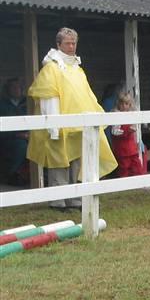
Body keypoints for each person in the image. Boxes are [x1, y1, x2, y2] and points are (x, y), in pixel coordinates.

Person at [26, 27, 117, 210]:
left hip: (79, 126)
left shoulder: (77, 69)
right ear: (58, 44)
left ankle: (75, 198)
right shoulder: (51, 69)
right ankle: (58, 200)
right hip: (60, 125)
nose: (71, 46)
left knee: (76, 162)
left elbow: (87, 95)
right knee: (59, 162)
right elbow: (48, 97)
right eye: (67, 43)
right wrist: (53, 125)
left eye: (74, 43)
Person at [0, 78, 29, 186]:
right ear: (7, 90)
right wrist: (18, 135)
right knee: (21, 146)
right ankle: (12, 175)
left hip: (28, 136)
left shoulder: (27, 103)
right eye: (14, 87)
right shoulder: (2, 105)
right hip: (9, 139)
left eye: (19, 87)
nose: (17, 90)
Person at [110, 92, 144, 177]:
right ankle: (124, 184)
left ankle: (141, 181)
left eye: (128, 104)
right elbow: (114, 132)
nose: (127, 106)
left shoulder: (130, 115)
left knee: (137, 166)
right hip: (122, 148)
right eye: (125, 104)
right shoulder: (116, 115)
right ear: (120, 104)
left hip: (131, 147)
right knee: (124, 168)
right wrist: (126, 131)